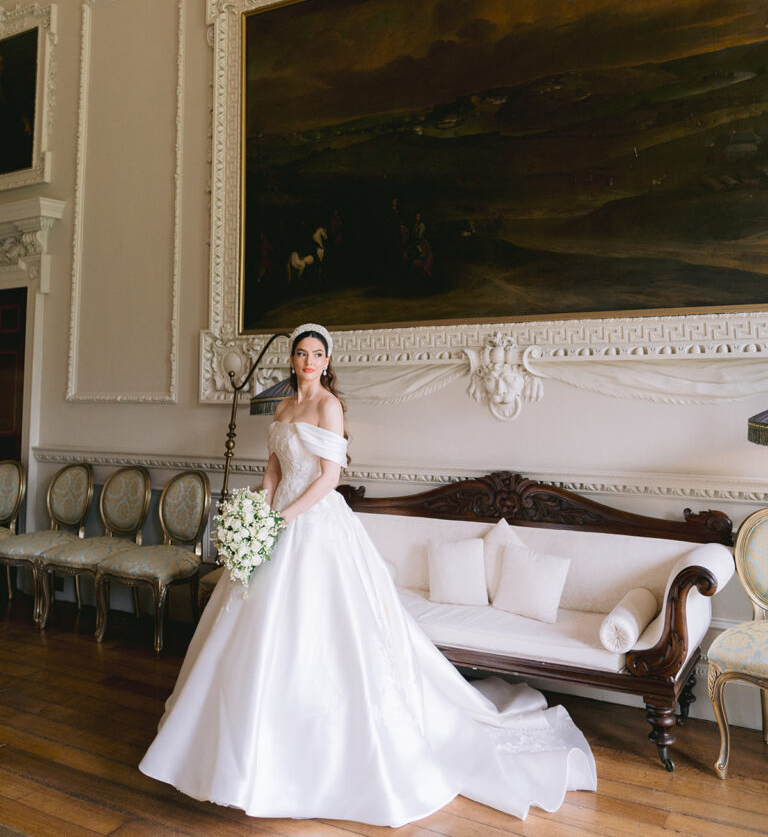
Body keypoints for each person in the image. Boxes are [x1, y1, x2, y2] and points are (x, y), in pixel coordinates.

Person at [139, 323, 596, 826]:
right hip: (276, 521)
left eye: (317, 353)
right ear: (291, 360)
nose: (308, 360)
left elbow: (329, 479)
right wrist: (258, 511)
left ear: (326, 361)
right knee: (251, 626)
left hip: (315, 525)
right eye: (301, 352)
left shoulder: (328, 407)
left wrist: (282, 519)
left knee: (321, 631)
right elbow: (273, 469)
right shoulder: (283, 407)